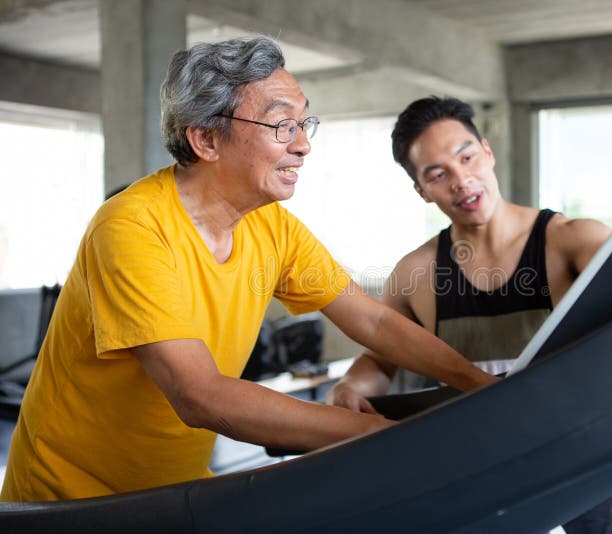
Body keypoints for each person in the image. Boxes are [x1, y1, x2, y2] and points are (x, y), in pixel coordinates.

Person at [0, 38, 496, 502]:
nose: (304, 145)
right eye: (283, 126)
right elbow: (199, 395)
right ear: (206, 140)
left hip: (172, 490)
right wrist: (377, 435)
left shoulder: (272, 228)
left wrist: (481, 387)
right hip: (67, 498)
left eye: (305, 124)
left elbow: (375, 322)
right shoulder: (132, 227)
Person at [327, 96, 612, 532]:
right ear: (421, 191)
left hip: (572, 460)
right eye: (438, 174)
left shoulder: (573, 241)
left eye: (467, 157)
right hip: (473, 469)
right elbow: (381, 357)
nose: (462, 180)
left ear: (487, 151)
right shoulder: (417, 272)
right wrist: (351, 386)